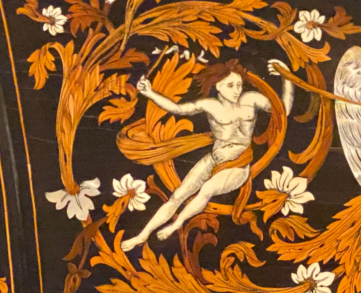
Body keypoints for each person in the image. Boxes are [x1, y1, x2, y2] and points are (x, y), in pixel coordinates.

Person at [120, 59, 293, 251]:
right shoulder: (210, 105)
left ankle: (176, 225)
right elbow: (177, 109)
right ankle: (142, 235)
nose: (236, 90)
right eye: (230, 85)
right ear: (218, 86)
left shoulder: (251, 99)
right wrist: (149, 93)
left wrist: (287, 79)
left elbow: (282, 113)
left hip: (238, 164)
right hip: (213, 159)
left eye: (239, 85)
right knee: (177, 195)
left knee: (207, 189)